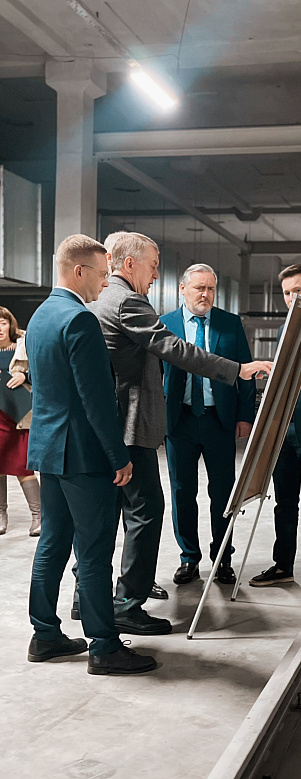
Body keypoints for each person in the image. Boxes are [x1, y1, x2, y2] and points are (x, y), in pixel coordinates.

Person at [88, 232, 271, 636]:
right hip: (141, 426)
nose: (156, 274)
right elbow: (175, 350)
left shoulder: (97, 301)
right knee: (149, 509)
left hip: (177, 423)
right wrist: (237, 370)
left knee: (107, 514)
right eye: (153, 265)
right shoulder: (130, 302)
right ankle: (127, 604)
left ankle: (92, 596)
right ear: (130, 263)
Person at [26, 233, 155, 675]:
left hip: (49, 451)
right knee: (95, 551)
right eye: (101, 274)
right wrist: (118, 456)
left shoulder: (41, 315)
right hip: (83, 455)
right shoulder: (79, 320)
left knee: (53, 542)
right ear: (79, 271)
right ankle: (104, 647)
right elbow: (96, 399)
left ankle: (45, 635)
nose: (105, 282)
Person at [161, 263, 255, 586]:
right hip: (180, 421)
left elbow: (245, 373)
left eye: (210, 288)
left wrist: (244, 416)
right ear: (182, 289)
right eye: (199, 287)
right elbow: (154, 376)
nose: (205, 294)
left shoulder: (230, 324)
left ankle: (222, 558)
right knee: (182, 492)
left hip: (220, 420)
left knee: (223, 493)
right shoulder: (165, 324)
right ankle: (189, 557)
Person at [250, 264, 301, 587]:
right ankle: (283, 565)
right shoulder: (285, 330)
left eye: (298, 291)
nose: (292, 298)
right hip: (284, 431)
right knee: (284, 503)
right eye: (286, 293)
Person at [0, 306, 40, 536]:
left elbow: (41, 370)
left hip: (19, 415)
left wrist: (24, 375)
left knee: (23, 466)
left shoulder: (24, 345)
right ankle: (0, 516)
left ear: (10, 325)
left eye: (3, 323)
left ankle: (38, 516)